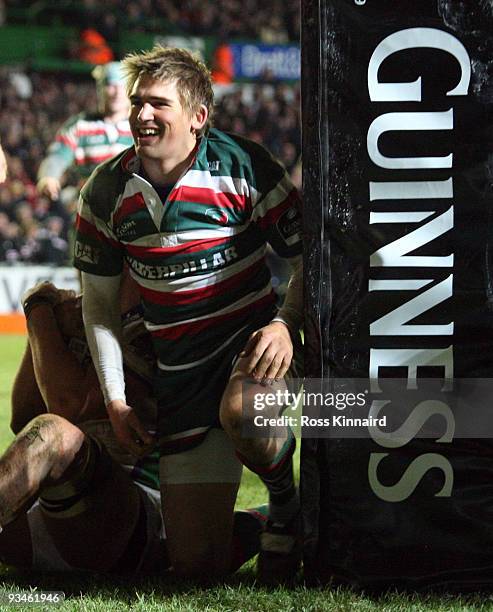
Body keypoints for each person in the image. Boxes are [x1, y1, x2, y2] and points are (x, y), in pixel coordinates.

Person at [73, 46, 303, 583]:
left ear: (197, 117)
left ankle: (287, 504)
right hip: (180, 377)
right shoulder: (105, 191)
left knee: (245, 410)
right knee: (195, 568)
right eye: (137, 103)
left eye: (157, 104)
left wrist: (285, 325)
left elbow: (306, 259)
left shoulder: (244, 165)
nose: (141, 115)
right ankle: (260, 520)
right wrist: (115, 400)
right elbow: (101, 308)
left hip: (255, 352)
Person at [0, 281, 265, 575]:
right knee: (47, 436)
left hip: (134, 518)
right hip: (58, 515)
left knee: (52, 434)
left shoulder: (163, 315)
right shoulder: (85, 307)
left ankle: (269, 519)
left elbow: (69, 405)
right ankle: (262, 520)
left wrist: (39, 313)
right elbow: (23, 418)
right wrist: (44, 326)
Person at [36, 62, 132, 202]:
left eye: (122, 86)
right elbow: (58, 155)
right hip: (91, 207)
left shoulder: (139, 125)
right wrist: (49, 177)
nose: (117, 92)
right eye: (111, 85)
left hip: (130, 208)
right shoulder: (81, 126)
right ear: (100, 88)